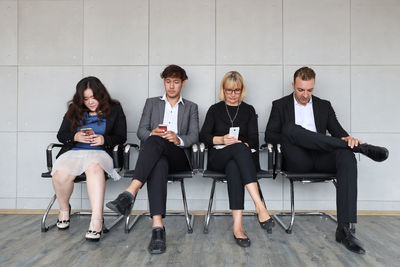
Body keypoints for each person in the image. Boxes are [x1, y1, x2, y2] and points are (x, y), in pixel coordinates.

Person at [265, 66, 389, 254]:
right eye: (301, 90)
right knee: (290, 129)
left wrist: (349, 140)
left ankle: (344, 229)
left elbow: (339, 135)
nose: (305, 95)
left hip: (322, 156)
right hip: (298, 160)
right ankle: (362, 149)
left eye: (309, 90)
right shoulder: (280, 105)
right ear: (293, 85)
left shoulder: (324, 105)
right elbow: (269, 135)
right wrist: (296, 135)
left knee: (346, 155)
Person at [106, 65, 199, 254]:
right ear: (163, 82)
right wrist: (152, 133)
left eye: (176, 82)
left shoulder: (191, 107)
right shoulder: (151, 103)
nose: (171, 86)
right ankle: (157, 227)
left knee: (156, 143)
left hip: (179, 156)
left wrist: (178, 139)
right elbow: (141, 131)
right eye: (168, 82)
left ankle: (130, 193)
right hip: (156, 156)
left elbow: (194, 136)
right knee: (157, 161)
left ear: (183, 83)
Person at [199, 71, 274, 248]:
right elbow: (203, 137)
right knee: (236, 153)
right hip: (219, 157)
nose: (233, 95)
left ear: (242, 90)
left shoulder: (248, 110)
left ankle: (238, 227)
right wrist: (222, 140)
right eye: (229, 91)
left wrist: (240, 144)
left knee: (235, 167)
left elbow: (255, 140)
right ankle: (259, 206)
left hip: (242, 160)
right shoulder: (214, 109)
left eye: (236, 91)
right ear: (223, 90)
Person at [52, 76, 127, 241]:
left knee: (94, 168)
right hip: (75, 152)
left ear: (101, 95)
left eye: (94, 97)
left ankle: (97, 220)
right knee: (60, 175)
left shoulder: (115, 108)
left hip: (100, 152)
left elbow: (121, 136)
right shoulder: (74, 109)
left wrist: (103, 139)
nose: (91, 102)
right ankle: (64, 210)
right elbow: (61, 134)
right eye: (86, 99)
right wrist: (76, 136)